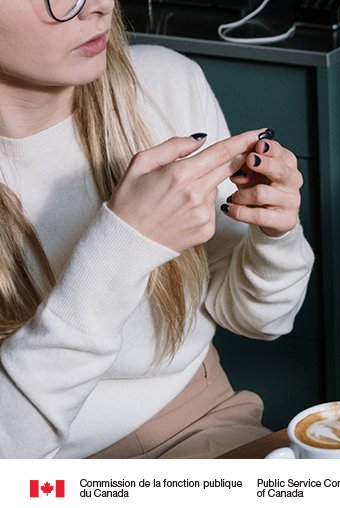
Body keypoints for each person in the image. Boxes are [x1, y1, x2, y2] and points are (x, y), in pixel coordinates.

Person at [0, 0, 314, 458]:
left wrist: (273, 237)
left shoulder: (163, 83)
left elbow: (261, 320)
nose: (100, 6)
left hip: (200, 420)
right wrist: (121, 246)